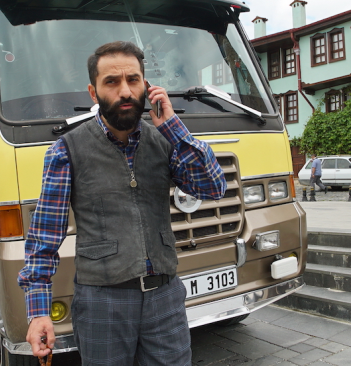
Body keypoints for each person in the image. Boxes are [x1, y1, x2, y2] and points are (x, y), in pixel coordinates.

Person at [17, 41, 227, 365]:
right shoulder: (67, 150)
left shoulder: (165, 140)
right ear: (93, 92)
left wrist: (173, 127)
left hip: (165, 299)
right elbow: (43, 239)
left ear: (146, 85)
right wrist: (38, 313)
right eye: (112, 82)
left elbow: (213, 186)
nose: (125, 91)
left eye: (133, 80)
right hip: (102, 303)